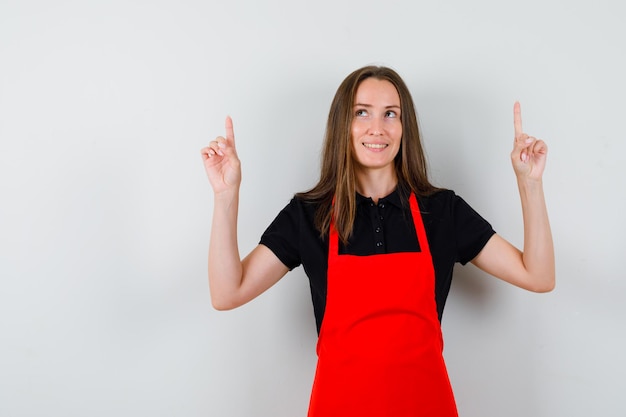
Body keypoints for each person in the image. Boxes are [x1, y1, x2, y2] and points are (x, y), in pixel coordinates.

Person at [200, 65, 555, 417]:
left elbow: (538, 276)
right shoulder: (308, 216)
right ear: (344, 125)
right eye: (361, 113)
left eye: (391, 114)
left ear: (404, 128)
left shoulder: (442, 212)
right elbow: (227, 293)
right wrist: (225, 195)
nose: (377, 128)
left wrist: (530, 184)